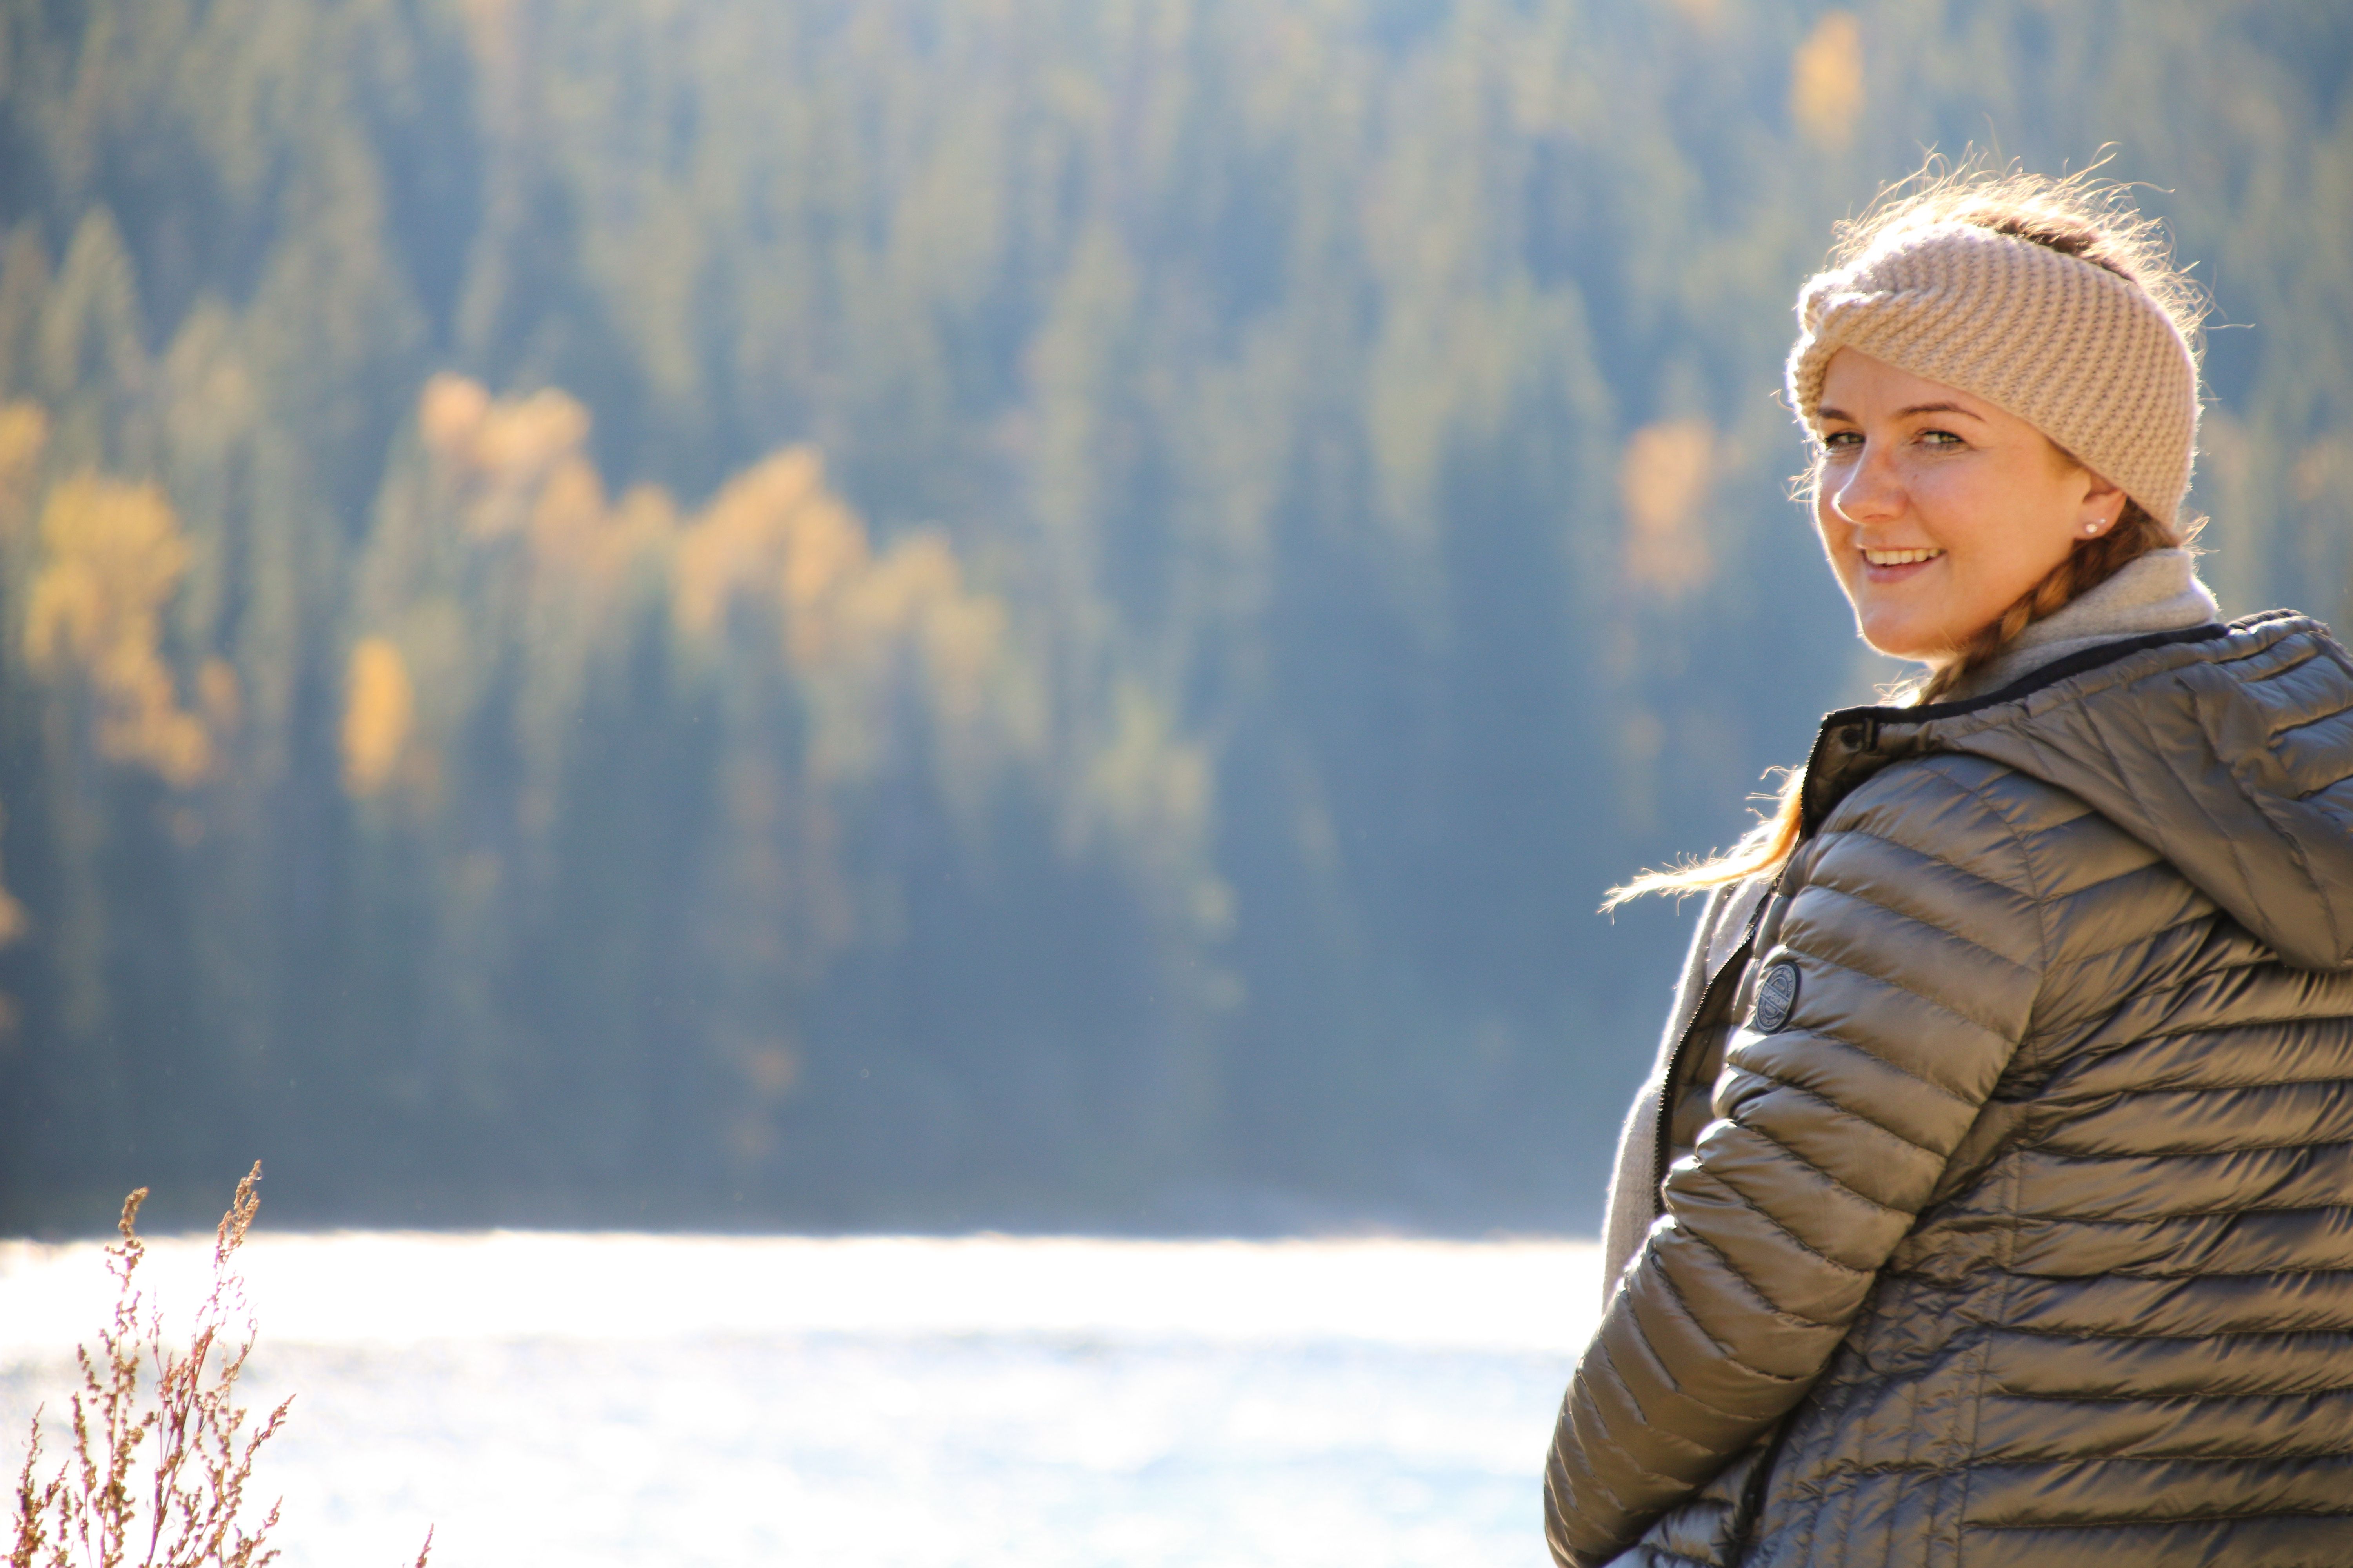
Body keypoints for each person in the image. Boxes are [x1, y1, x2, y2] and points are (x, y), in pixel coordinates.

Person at [1544, 166, 2353, 1568]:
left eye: (1938, 437)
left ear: (2098, 482)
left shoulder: (1966, 831)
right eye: (1839, 434)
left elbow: (1736, 1293)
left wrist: (1581, 1527)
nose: (1864, 494)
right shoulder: (2300, 786)